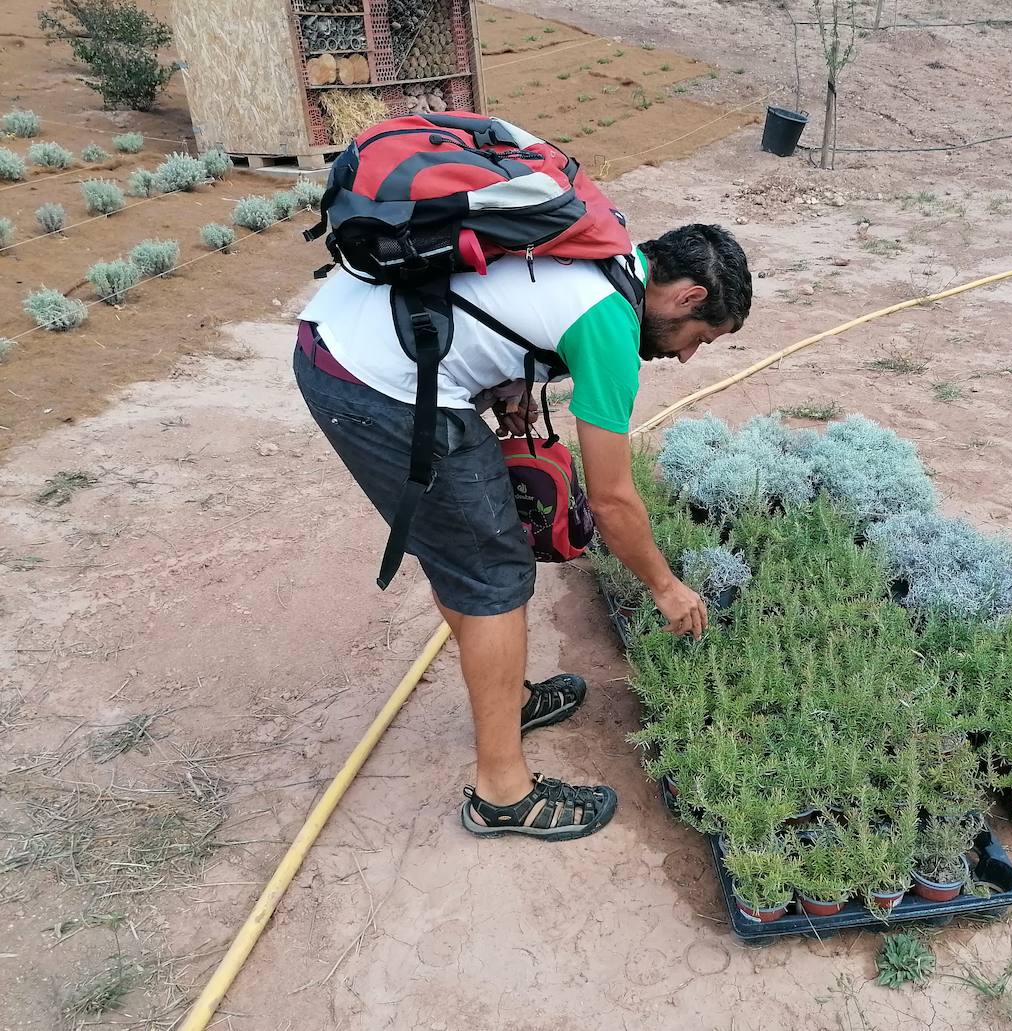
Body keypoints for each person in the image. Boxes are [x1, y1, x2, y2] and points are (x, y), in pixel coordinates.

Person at [293, 223, 752, 841]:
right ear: (689, 297)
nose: (689, 354)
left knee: (468, 551)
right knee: (492, 573)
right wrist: (665, 587)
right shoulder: (610, 321)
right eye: (702, 337)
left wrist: (507, 381)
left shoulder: (606, 250)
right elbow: (613, 500)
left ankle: (507, 699)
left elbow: (499, 299)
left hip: (350, 337)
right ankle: (502, 795)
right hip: (374, 380)